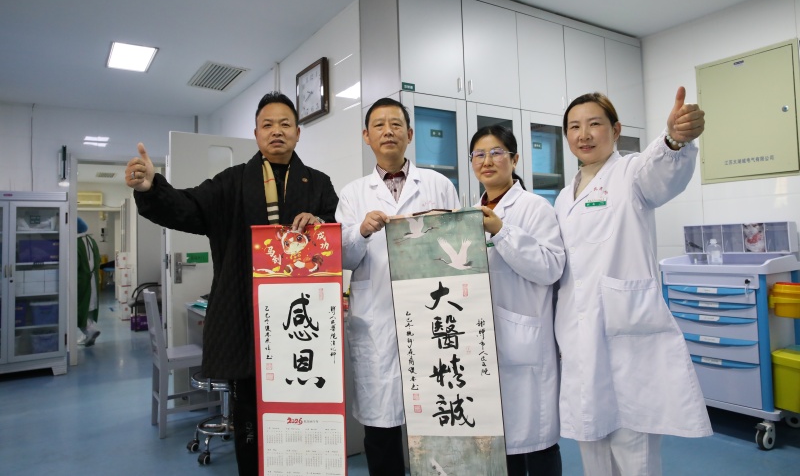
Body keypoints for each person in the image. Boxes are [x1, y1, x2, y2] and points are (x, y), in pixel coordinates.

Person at [125, 91, 338, 475]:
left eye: (285, 124)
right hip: (246, 318)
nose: (277, 131)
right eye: (268, 125)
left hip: (303, 325)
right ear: (256, 134)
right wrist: (152, 187)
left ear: (298, 132)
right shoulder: (232, 183)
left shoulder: (319, 185)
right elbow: (187, 207)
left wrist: (320, 225)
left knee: (302, 411)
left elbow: (336, 237)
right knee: (249, 418)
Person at [553, 87, 712, 476]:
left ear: (616, 129)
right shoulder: (562, 197)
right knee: (592, 447)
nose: (584, 134)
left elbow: (661, 173)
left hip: (626, 336)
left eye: (594, 124)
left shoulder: (630, 174)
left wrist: (674, 140)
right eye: (574, 127)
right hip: (578, 336)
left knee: (633, 450)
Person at [335, 97, 460, 475]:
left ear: (409, 134)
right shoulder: (353, 194)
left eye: (395, 124)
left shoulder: (438, 184)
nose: (387, 131)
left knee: (439, 417)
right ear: (366, 136)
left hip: (433, 316)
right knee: (382, 428)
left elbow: (461, 248)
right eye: (379, 125)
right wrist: (360, 231)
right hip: (378, 325)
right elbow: (343, 258)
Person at [469, 125, 565, 476]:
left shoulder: (536, 208)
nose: (487, 161)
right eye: (479, 154)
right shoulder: (469, 213)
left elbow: (550, 268)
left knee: (536, 442)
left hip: (524, 339)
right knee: (499, 445)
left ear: (515, 159)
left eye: (496, 152)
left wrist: (501, 232)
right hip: (481, 341)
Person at [76, 217, 101, 346]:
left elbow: (74, 265)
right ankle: (87, 335)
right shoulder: (91, 240)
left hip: (81, 281)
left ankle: (89, 331)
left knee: (79, 307)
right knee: (89, 307)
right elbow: (98, 260)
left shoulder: (75, 243)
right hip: (93, 279)